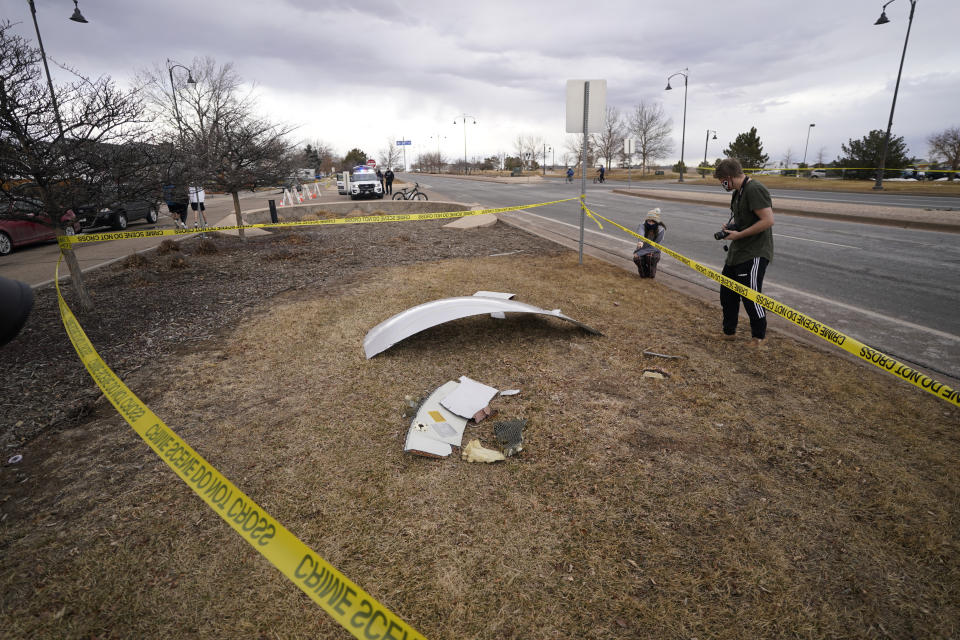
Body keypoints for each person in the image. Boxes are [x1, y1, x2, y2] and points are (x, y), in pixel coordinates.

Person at [714, 157, 774, 346]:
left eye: (722, 180)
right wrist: (732, 227)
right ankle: (729, 332)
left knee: (751, 296)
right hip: (737, 252)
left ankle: (758, 338)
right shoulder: (737, 193)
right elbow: (744, 219)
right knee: (727, 294)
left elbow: (767, 220)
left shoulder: (755, 189)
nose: (722, 184)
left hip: (753, 252)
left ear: (729, 177)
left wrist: (739, 235)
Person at [633, 208, 665, 278]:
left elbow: (656, 246)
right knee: (637, 259)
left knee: (650, 258)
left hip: (654, 250)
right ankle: (643, 274)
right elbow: (641, 234)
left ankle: (651, 274)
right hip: (642, 248)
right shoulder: (642, 226)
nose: (650, 223)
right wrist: (641, 241)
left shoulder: (661, 229)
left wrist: (639, 253)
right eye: (649, 221)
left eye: (653, 222)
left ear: (656, 221)